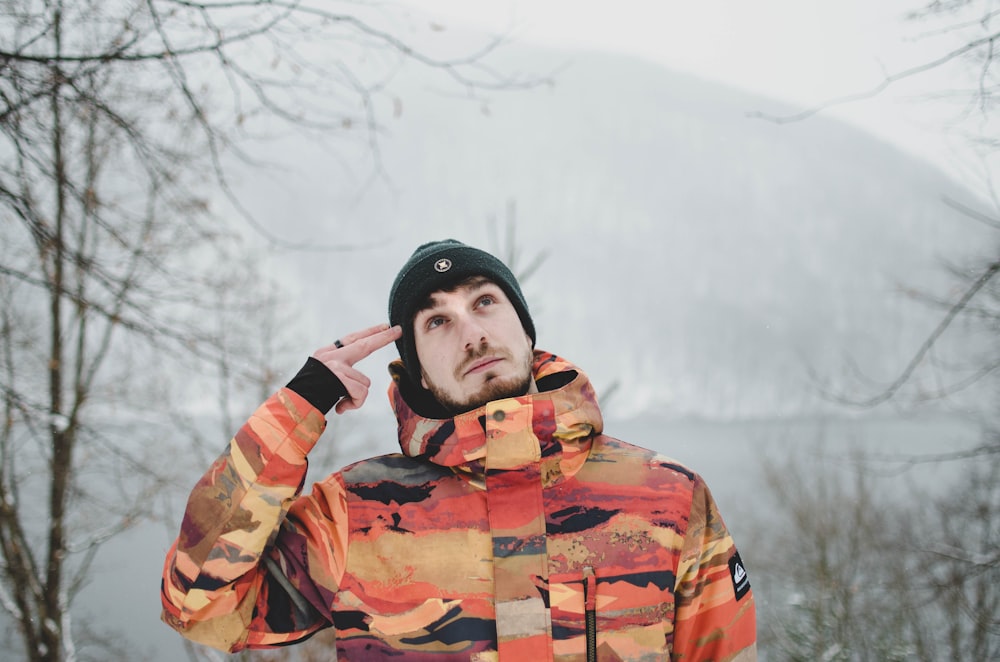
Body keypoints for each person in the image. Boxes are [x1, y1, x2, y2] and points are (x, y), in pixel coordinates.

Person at [160, 239, 757, 661]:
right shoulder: (353, 513)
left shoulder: (668, 497)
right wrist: (298, 407)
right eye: (436, 322)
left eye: (484, 302)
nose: (472, 333)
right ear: (416, 371)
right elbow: (199, 607)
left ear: (525, 328)